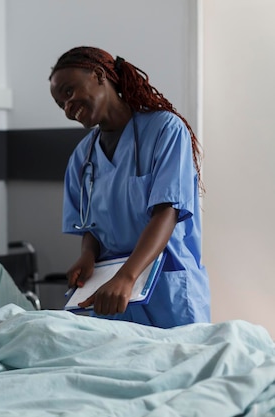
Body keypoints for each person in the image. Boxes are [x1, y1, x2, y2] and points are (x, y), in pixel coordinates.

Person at [49, 46, 210, 328]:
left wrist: (127, 276)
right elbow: (91, 227)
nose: (67, 108)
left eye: (68, 92)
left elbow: (166, 213)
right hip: (111, 296)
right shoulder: (82, 157)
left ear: (98, 76)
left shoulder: (165, 130)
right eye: (60, 103)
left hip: (165, 290)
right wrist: (88, 255)